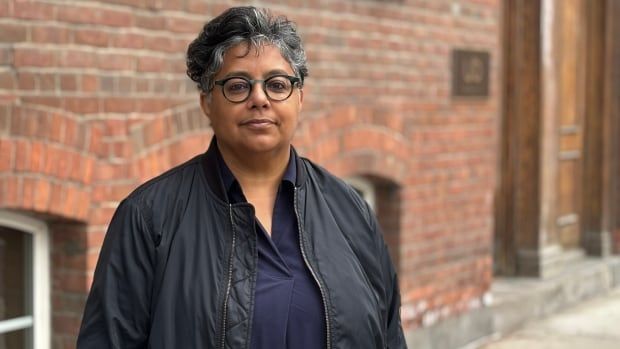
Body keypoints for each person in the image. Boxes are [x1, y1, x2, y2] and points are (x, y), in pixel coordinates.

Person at [77, 6, 406, 349]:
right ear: (206, 101)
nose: (259, 99)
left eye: (277, 84)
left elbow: (389, 336)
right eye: (237, 86)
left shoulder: (350, 210)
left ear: (300, 98)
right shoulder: (148, 218)